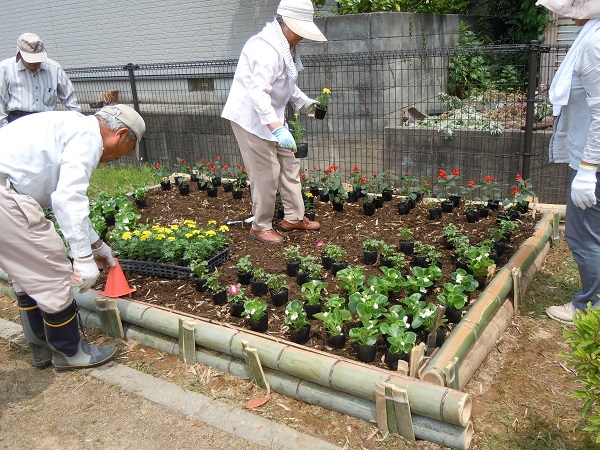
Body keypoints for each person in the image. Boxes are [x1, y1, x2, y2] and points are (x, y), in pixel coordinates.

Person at [0, 104, 145, 369]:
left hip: (6, 188)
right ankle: (70, 352)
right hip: (5, 198)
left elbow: (64, 196)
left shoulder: (70, 125)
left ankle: (41, 348)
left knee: (27, 275)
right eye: (125, 151)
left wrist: (97, 245)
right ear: (121, 134)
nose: (117, 159)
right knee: (54, 273)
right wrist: (83, 259)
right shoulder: (88, 137)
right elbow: (67, 199)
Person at [221, 0, 326, 243]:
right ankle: (260, 226)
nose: (302, 36)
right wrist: (277, 128)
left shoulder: (285, 46)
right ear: (287, 23)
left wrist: (305, 103)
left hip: (271, 117)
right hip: (250, 119)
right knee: (266, 173)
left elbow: (285, 83)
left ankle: (293, 217)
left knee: (290, 165)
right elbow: (258, 94)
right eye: (300, 30)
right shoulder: (266, 49)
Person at [536, 0, 600, 323]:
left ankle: (589, 307)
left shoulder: (593, 43)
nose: (568, 14)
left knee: (582, 234)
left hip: (595, 163)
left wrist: (588, 171)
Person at [0, 32, 80, 128]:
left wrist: (78, 122)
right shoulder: (5, 68)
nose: (35, 63)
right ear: (19, 55)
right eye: (30, 60)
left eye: (38, 59)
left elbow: (70, 98)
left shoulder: (54, 68)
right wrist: (5, 128)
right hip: (18, 121)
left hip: (48, 121)